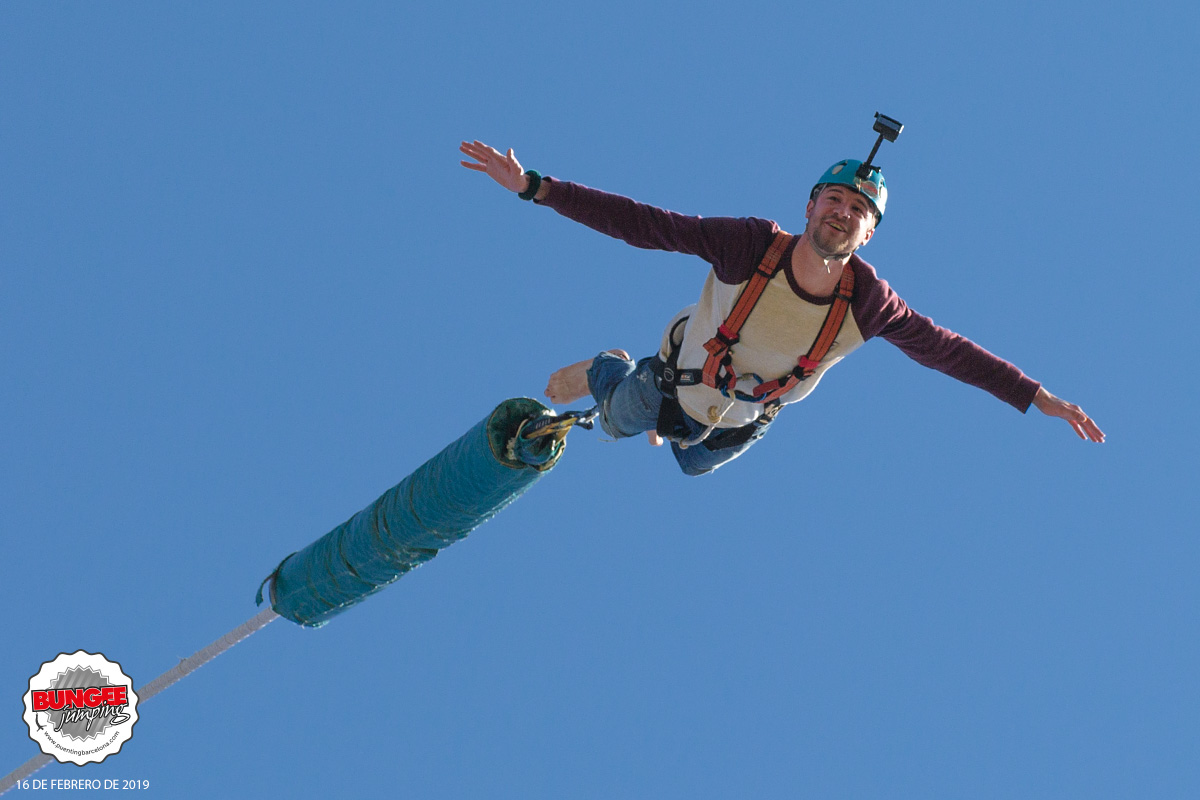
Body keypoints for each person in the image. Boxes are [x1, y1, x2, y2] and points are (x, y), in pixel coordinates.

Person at [459, 139, 1105, 476]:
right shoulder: (749, 246)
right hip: (673, 381)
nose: (843, 214)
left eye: (858, 211)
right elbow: (647, 224)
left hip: (739, 422)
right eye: (834, 201)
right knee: (616, 419)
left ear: (869, 233)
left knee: (690, 464)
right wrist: (538, 189)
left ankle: (663, 425)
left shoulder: (869, 304)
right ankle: (609, 366)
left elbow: (948, 351)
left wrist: (1037, 397)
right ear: (810, 206)